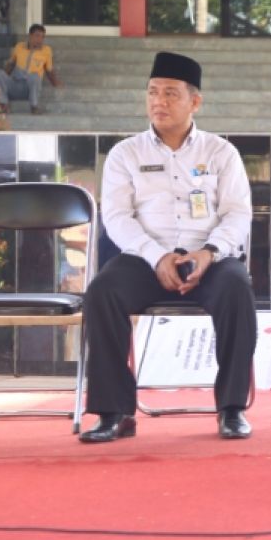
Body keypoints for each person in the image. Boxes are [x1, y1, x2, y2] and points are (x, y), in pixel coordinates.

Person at [79, 52, 256, 443]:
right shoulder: (127, 153)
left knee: (237, 289)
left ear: (195, 102)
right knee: (102, 292)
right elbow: (118, 218)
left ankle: (231, 409)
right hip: (145, 259)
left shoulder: (220, 153)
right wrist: (156, 255)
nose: (159, 101)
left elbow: (237, 214)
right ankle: (114, 412)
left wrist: (209, 252)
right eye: (153, 93)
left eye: (171, 94)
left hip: (208, 257)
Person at [0, 23, 61, 114]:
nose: (40, 40)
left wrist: (56, 84)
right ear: (30, 35)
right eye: (37, 36)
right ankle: (3, 104)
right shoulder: (19, 46)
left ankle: (34, 106)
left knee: (35, 76)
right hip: (15, 84)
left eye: (42, 37)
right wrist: (1, 81)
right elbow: (10, 65)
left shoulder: (46, 50)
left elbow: (49, 70)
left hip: (30, 87)